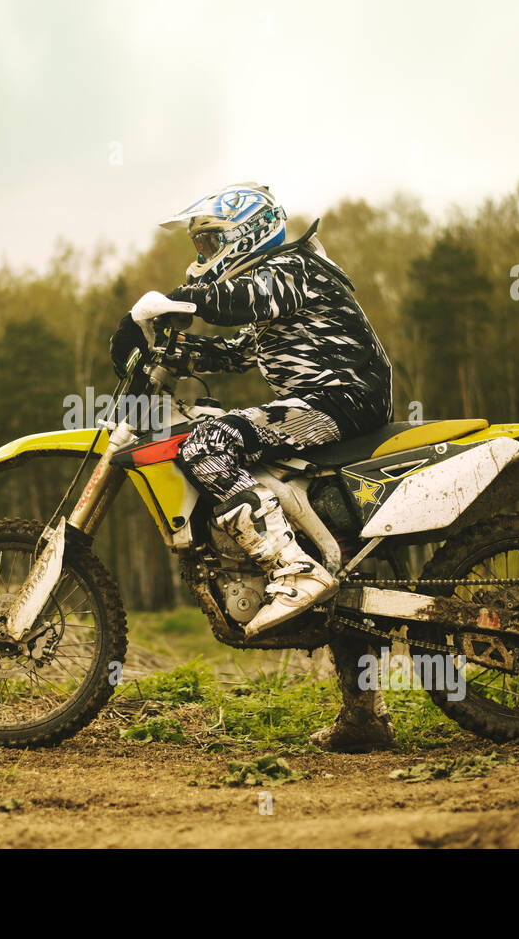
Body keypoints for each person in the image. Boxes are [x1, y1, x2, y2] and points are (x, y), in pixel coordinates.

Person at [109, 182, 397, 751]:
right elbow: (235, 351)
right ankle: (365, 716)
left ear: (247, 232)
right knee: (336, 550)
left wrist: (170, 302)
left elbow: (235, 302)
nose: (204, 252)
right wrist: (154, 348)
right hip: (318, 405)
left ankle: (292, 570)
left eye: (212, 238)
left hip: (339, 400)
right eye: (201, 241)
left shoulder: (296, 269)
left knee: (208, 443)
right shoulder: (275, 293)